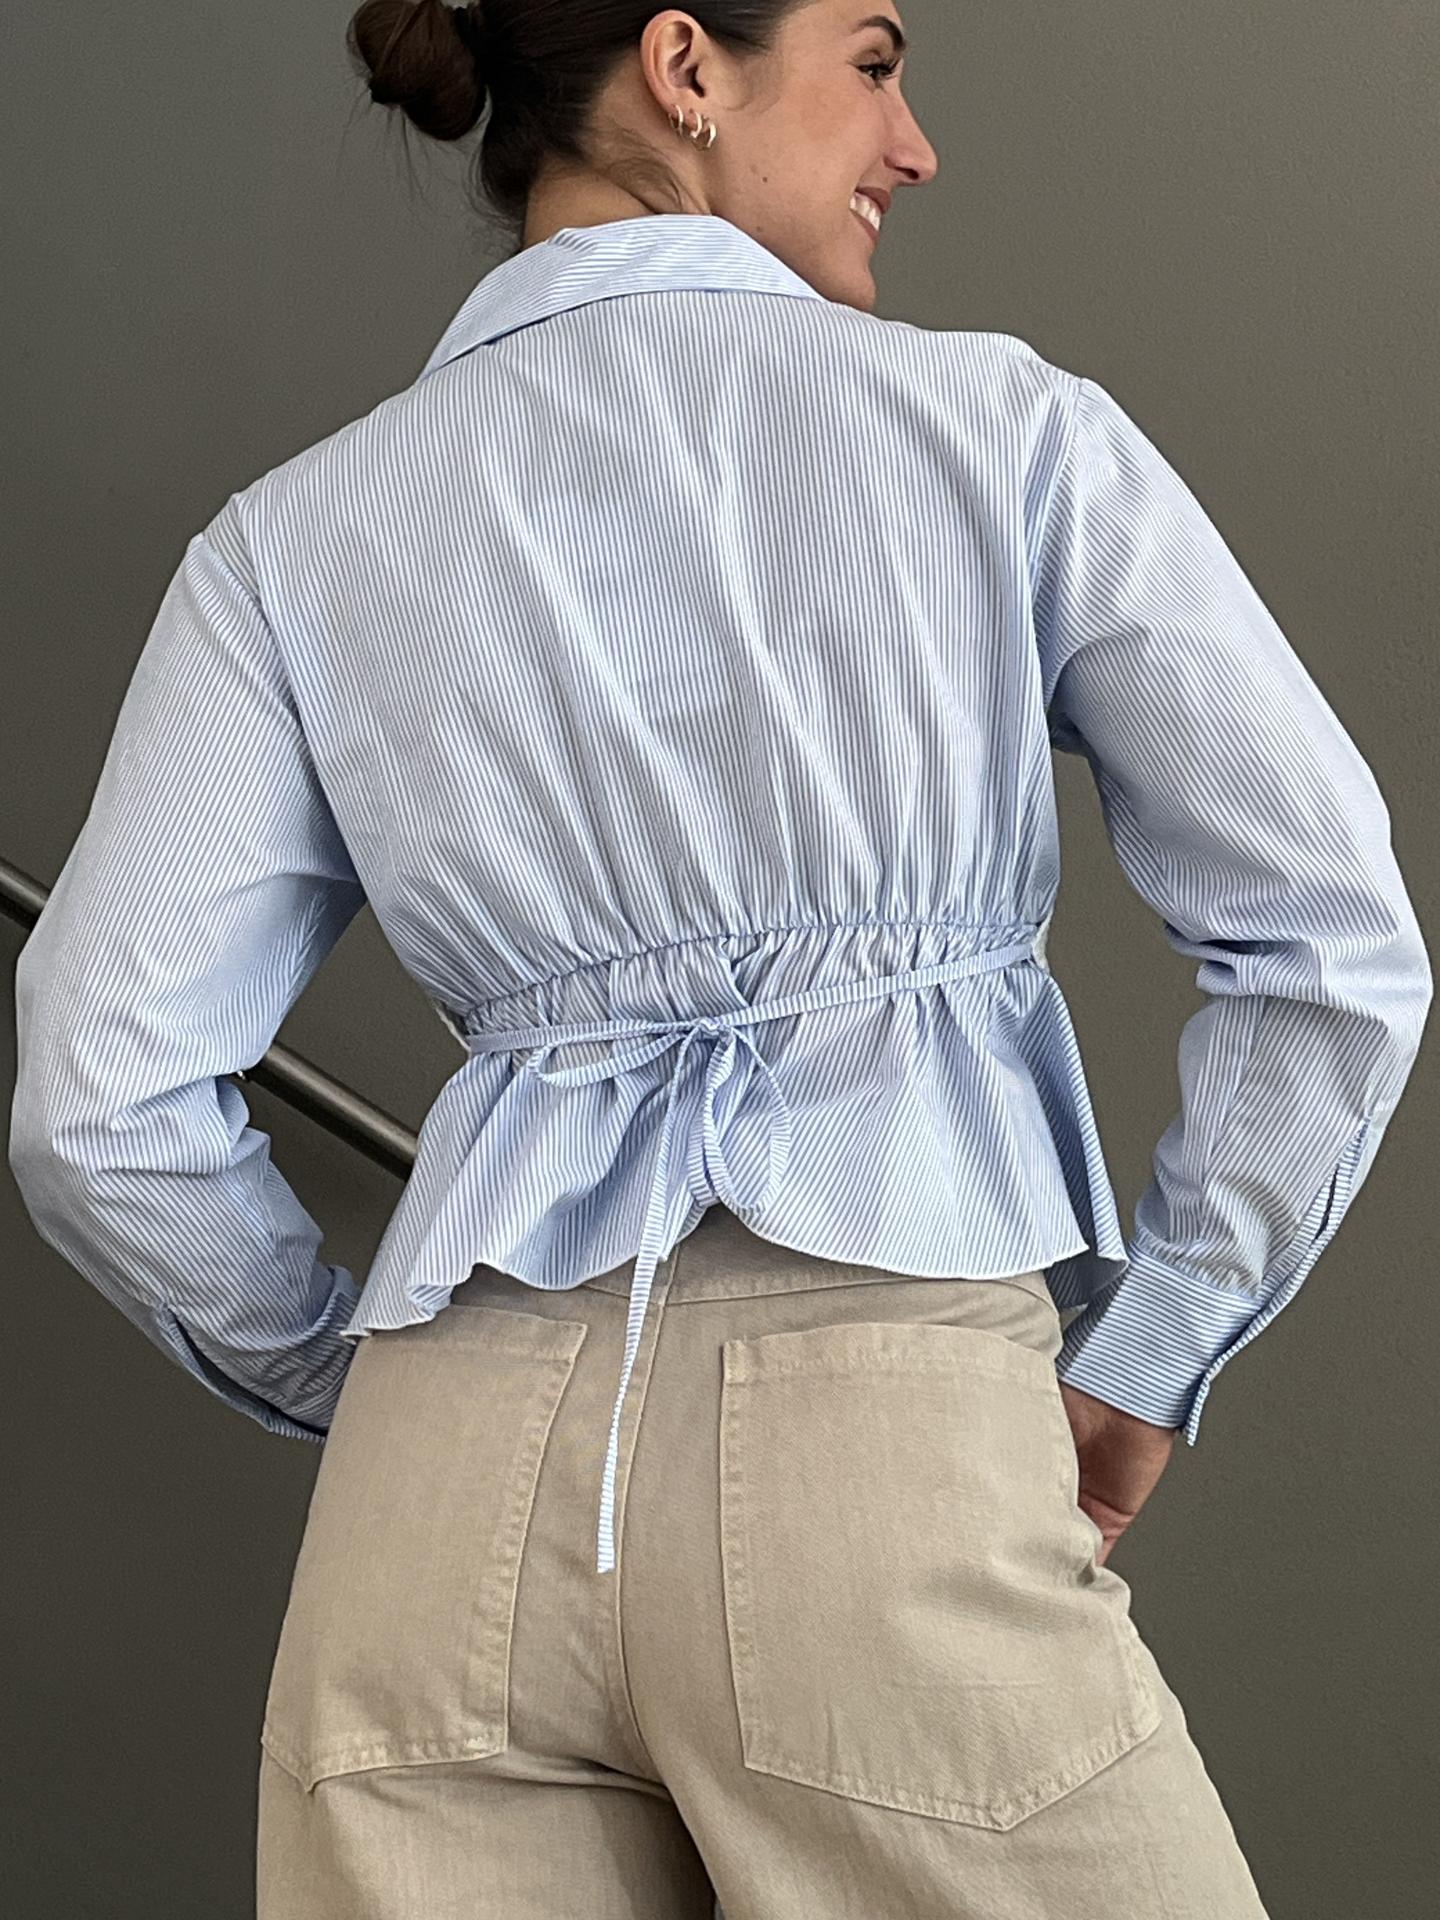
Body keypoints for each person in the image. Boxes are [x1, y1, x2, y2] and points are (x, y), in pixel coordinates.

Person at [9, 2, 1429, 1914]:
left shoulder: (291, 541)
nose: (914, 144)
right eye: (874, 62)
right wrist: (1162, 1335)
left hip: (432, 1515)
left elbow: (98, 1098)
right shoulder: (995, 428)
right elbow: (1328, 931)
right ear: (686, 67)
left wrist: (372, 1388)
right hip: (875, 1444)